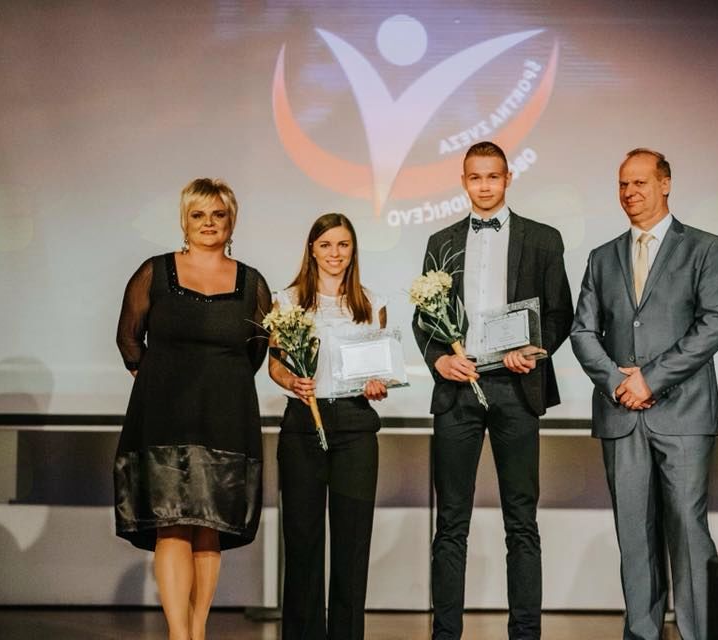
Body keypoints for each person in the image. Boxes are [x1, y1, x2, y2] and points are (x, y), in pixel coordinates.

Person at [412, 141, 574, 640]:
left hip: (516, 388)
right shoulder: (441, 241)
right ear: (464, 181)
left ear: (508, 179)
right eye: (475, 177)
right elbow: (424, 317)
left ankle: (525, 635)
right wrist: (439, 359)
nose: (484, 186)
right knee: (450, 523)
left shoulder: (542, 238)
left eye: (493, 176)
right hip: (458, 388)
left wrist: (533, 350)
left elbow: (559, 313)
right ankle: (445, 635)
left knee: (521, 522)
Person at [570, 148, 718, 640]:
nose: (629, 192)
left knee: (687, 531)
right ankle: (641, 633)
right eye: (623, 184)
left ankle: (698, 633)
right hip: (622, 416)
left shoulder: (704, 247)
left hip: (683, 413)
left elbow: (714, 324)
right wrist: (618, 382)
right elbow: (582, 331)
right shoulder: (602, 256)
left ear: (665, 184)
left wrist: (651, 378)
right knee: (635, 538)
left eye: (639, 183)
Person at [114, 178, 271, 640]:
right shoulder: (155, 272)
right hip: (164, 413)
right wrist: (159, 379)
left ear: (231, 222)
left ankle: (197, 629)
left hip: (226, 414)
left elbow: (257, 349)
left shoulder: (252, 283)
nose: (208, 223)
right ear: (185, 221)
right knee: (172, 523)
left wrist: (221, 381)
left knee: (209, 526)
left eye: (218, 215)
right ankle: (179, 634)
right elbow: (129, 338)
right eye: (198, 215)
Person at [270, 213, 388, 640]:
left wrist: (377, 383)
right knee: (302, 543)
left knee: (352, 547)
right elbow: (275, 365)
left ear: (353, 250)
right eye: (326, 245)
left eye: (343, 244)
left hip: (355, 426)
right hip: (303, 425)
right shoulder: (286, 302)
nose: (334, 253)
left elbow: (380, 368)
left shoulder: (372, 302)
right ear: (312, 250)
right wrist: (292, 381)